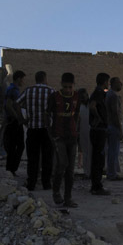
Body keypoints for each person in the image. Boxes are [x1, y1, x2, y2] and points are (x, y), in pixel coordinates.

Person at [19, 71, 54, 190]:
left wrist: (22, 119)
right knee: (47, 157)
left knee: (32, 158)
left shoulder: (28, 90)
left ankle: (31, 183)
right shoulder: (51, 91)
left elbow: (15, 104)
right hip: (46, 129)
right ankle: (46, 183)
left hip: (32, 128)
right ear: (44, 78)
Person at [50, 73, 80, 208]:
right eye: (65, 87)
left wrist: (76, 130)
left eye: (70, 87)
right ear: (61, 84)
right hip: (59, 136)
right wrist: (51, 134)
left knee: (70, 170)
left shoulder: (76, 96)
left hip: (72, 137)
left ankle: (68, 198)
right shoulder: (55, 97)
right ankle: (56, 191)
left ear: (74, 85)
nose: (68, 90)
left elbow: (77, 115)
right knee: (62, 164)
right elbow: (48, 115)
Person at [88, 72, 111, 195]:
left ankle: (95, 185)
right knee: (98, 158)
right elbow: (92, 106)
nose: (108, 84)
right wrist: (99, 118)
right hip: (99, 130)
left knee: (97, 158)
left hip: (97, 130)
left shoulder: (98, 92)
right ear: (104, 82)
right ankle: (97, 186)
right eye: (107, 81)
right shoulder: (99, 92)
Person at [3, 70, 26, 175]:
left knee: (16, 146)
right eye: (22, 79)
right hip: (14, 122)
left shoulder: (14, 89)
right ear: (18, 79)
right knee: (16, 146)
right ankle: (11, 169)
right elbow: (8, 105)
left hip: (13, 121)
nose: (23, 81)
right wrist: (17, 118)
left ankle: (11, 169)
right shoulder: (12, 90)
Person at [105, 77, 123, 181]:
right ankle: (112, 174)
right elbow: (115, 113)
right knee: (113, 151)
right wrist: (120, 129)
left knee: (111, 151)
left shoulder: (108, 94)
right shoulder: (114, 96)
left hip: (109, 126)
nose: (121, 85)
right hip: (113, 126)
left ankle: (111, 172)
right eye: (120, 83)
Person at [77, 88, 92, 179]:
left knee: (92, 152)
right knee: (85, 152)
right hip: (82, 132)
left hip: (92, 131)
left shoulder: (92, 104)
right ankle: (87, 172)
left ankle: (91, 172)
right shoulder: (79, 106)